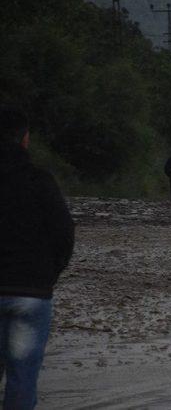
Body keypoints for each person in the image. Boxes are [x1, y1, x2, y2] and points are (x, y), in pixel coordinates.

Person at [0, 107, 74, 409]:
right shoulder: (40, 181)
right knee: (22, 378)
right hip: (31, 292)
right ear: (25, 140)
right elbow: (63, 233)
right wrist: (48, 276)